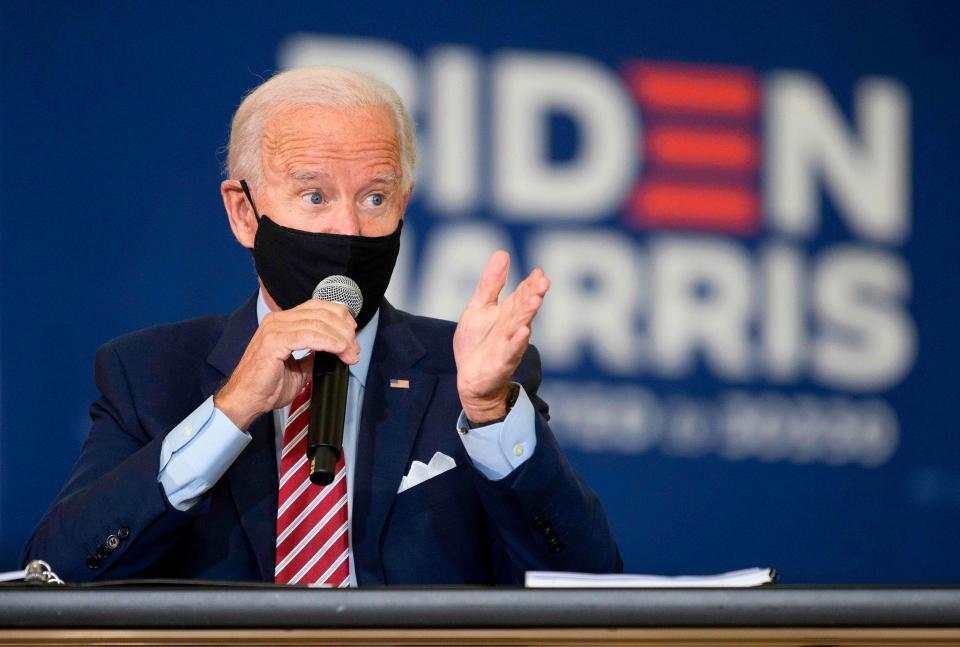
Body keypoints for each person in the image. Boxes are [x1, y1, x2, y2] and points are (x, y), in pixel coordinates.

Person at [23, 67, 621, 585]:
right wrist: (229, 412)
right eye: (314, 196)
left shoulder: (464, 373)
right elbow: (58, 574)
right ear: (243, 213)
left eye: (375, 199)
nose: (350, 231)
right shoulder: (148, 374)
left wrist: (491, 417)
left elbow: (589, 591)